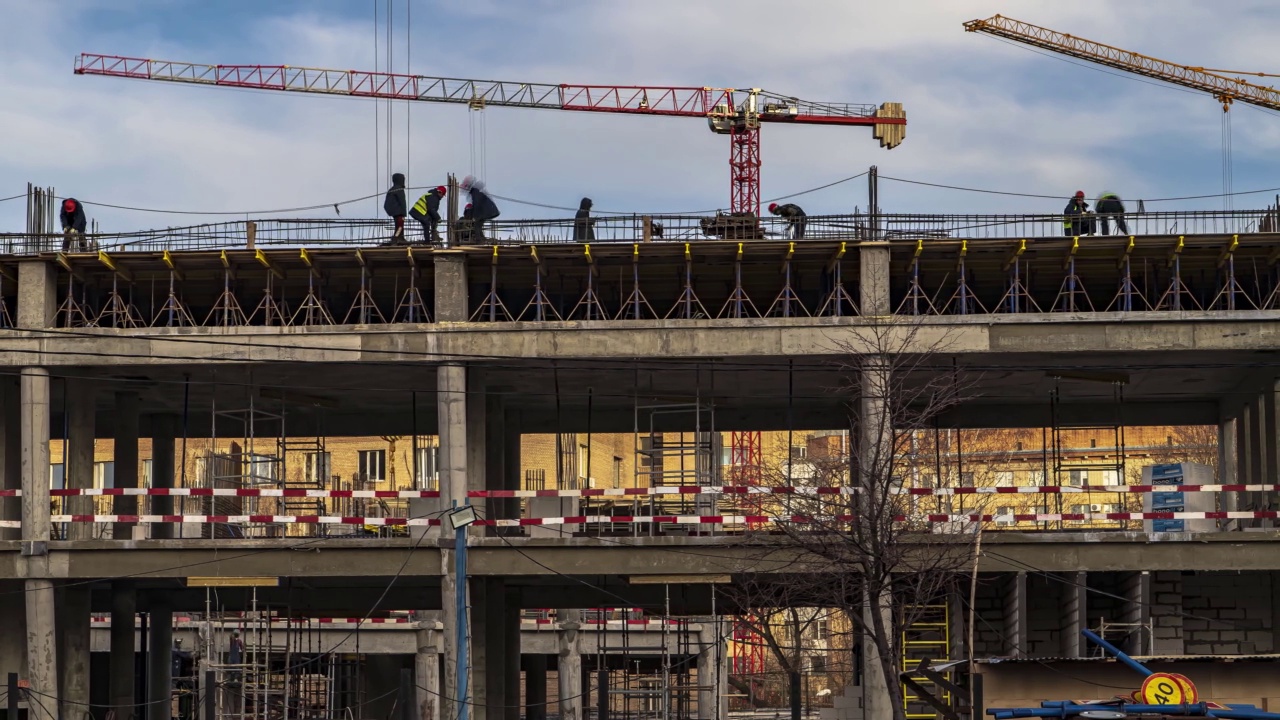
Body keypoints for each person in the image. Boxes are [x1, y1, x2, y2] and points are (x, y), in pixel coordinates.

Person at [461, 176, 500, 243]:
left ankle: (479, 240)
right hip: (488, 210)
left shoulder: (475, 192)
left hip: (487, 211)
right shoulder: (477, 191)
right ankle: (481, 238)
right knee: (479, 224)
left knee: (477, 224)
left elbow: (477, 204)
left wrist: (475, 217)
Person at [382, 173, 408, 244]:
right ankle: (397, 238)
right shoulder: (399, 189)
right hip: (399, 212)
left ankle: (400, 237)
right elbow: (402, 201)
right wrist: (404, 213)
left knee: (398, 225)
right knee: (400, 226)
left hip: (394, 212)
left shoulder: (392, 189)